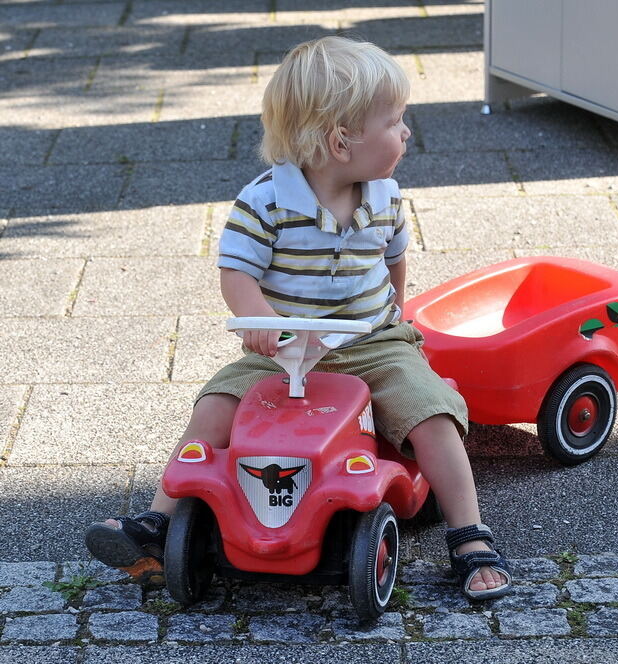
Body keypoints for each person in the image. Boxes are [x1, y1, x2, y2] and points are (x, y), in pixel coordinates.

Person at [84, 36, 511, 601]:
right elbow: (235, 274)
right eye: (395, 121)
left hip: (372, 344)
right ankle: (158, 521)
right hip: (285, 349)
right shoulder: (264, 203)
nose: (406, 132)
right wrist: (260, 320)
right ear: (341, 141)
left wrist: (396, 321)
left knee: (431, 414)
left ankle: (468, 534)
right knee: (217, 407)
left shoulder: (384, 195)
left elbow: (394, 260)